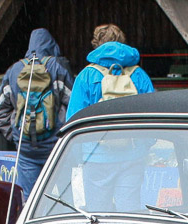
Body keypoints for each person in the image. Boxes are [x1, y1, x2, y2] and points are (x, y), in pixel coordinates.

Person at [66, 24, 157, 212]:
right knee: (128, 211)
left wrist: (79, 157)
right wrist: (143, 146)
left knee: (98, 215)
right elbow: (154, 115)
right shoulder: (138, 74)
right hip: (132, 155)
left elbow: (73, 120)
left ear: (96, 44)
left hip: (96, 157)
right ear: (123, 43)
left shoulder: (86, 76)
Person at [0, 28, 74, 199]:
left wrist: (15, 134)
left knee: (31, 199)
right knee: (64, 199)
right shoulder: (57, 68)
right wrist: (64, 134)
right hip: (56, 148)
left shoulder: (14, 71)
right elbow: (74, 106)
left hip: (27, 149)